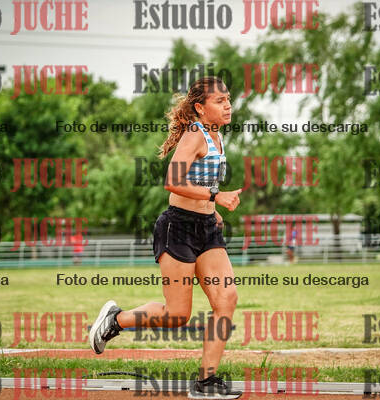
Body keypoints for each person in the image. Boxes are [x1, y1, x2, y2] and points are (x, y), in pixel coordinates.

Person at [89, 77, 243, 399]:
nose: (228, 105)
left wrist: (211, 209)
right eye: (220, 101)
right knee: (177, 315)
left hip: (206, 228)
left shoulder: (217, 135)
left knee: (226, 299)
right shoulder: (195, 134)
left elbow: (201, 180)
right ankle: (116, 320)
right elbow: (172, 180)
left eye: (228, 99)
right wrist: (215, 197)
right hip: (179, 228)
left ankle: (206, 383)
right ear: (200, 108)